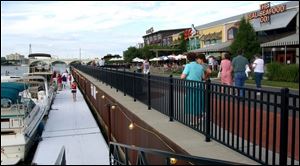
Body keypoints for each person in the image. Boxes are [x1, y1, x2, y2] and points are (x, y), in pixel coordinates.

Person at [181, 52, 205, 125]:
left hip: (191, 86)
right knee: (198, 102)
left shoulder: (188, 66)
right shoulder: (200, 66)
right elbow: (203, 77)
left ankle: (194, 120)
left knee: (192, 103)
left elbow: (182, 77)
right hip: (199, 86)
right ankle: (198, 117)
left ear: (188, 59)